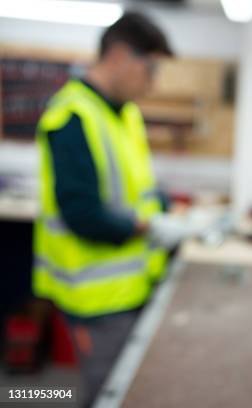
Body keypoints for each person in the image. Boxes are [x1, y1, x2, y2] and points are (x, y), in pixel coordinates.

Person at [32, 11, 179, 406]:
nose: (153, 82)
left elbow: (137, 188)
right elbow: (80, 213)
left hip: (131, 286)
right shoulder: (72, 116)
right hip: (95, 296)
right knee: (111, 394)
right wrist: (149, 227)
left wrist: (162, 207)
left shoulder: (124, 114)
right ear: (119, 55)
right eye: (150, 69)